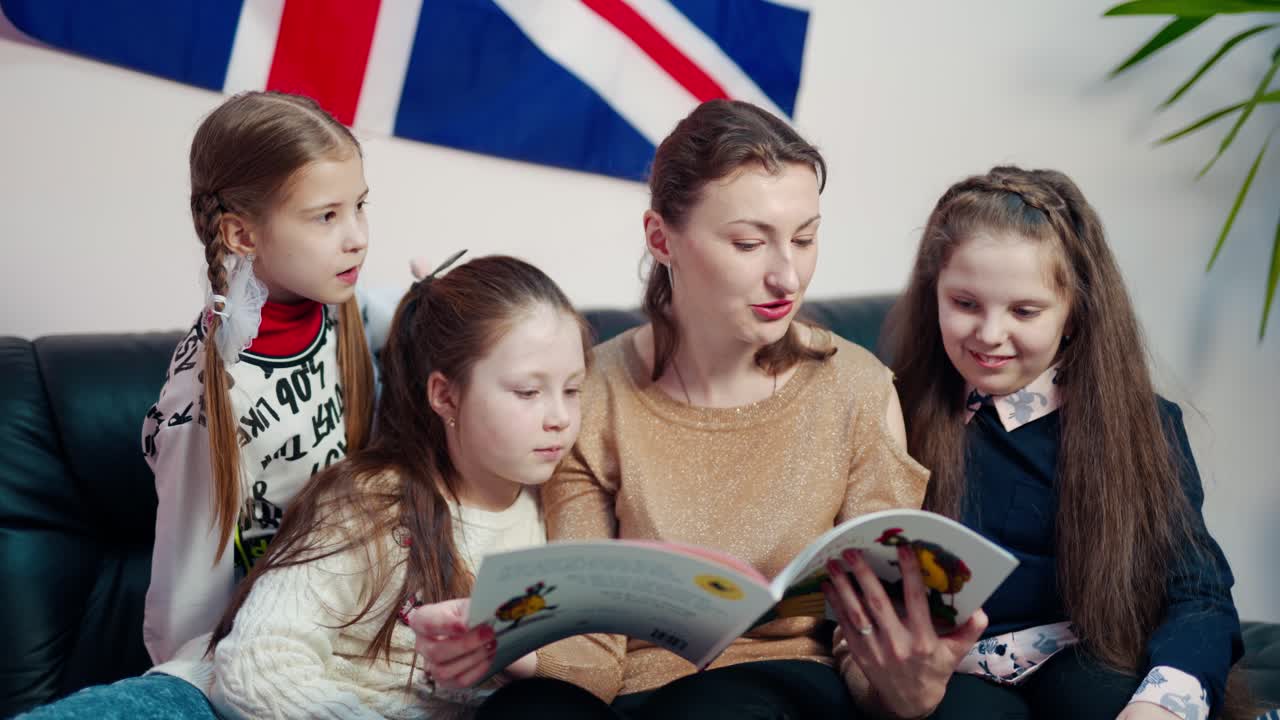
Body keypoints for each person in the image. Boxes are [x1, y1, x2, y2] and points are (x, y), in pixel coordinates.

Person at [478, 99, 980, 720]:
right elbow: (591, 643)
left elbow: (867, 632)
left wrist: (905, 687)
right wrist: (509, 651)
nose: (787, 277)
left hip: (779, 684)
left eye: (804, 239)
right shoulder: (592, 389)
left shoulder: (857, 388)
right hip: (632, 692)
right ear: (662, 239)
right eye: (749, 243)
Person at [19, 90, 377, 719]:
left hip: (345, 620)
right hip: (235, 652)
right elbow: (185, 576)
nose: (356, 238)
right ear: (241, 233)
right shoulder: (205, 391)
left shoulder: (351, 314)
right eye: (326, 216)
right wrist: (192, 677)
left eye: (360, 208)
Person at [885, 166, 1244, 719]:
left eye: (1024, 311)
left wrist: (1164, 702)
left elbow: (1198, 594)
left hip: (1083, 657)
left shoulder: (1143, 426)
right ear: (934, 292)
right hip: (951, 672)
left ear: (1073, 312)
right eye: (965, 303)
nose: (989, 334)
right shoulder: (893, 410)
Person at [207, 255, 592, 718]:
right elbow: (256, 666)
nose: (560, 418)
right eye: (529, 392)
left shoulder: (562, 506)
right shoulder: (371, 504)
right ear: (445, 395)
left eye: (572, 390)